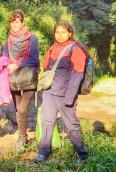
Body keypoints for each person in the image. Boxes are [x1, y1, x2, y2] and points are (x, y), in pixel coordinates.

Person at [35, 20, 88, 164]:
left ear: (70, 33)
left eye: (63, 32)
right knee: (47, 122)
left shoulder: (75, 50)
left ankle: (81, 154)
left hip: (66, 95)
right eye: (57, 32)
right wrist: (44, 90)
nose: (60, 35)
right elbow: (46, 69)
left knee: (70, 125)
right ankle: (43, 151)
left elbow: (78, 75)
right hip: (50, 93)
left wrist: (70, 98)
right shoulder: (52, 49)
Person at [1, 10, 40, 150]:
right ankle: (22, 137)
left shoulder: (32, 38)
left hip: (29, 78)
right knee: (18, 109)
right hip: (14, 79)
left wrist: (17, 64)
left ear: (22, 22)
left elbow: (34, 59)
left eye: (18, 21)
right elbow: (5, 58)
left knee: (23, 108)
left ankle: (23, 139)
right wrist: (7, 64)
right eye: (13, 21)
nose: (15, 24)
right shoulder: (9, 41)